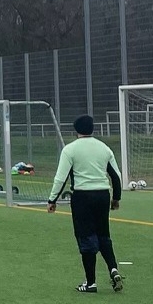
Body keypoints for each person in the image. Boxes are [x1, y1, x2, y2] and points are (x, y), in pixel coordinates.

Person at [47, 115, 125, 294]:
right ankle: (113, 269)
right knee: (103, 235)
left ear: (76, 130)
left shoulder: (70, 149)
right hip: (102, 195)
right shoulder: (104, 148)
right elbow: (116, 176)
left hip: (82, 197)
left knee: (86, 237)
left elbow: (61, 178)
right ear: (92, 129)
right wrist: (116, 198)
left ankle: (91, 283)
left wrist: (52, 200)